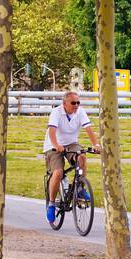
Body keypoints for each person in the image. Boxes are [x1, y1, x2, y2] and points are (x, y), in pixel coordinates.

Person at [43, 91, 100, 223]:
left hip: (71, 144)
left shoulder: (80, 112)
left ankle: (79, 187)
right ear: (64, 103)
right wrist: (56, 144)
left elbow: (89, 129)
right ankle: (51, 204)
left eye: (78, 102)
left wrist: (96, 144)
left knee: (82, 157)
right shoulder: (56, 112)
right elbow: (52, 131)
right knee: (57, 173)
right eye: (73, 103)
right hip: (53, 145)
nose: (76, 105)